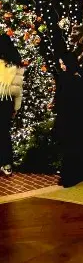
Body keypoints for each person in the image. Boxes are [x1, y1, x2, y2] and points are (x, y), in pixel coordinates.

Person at [0, 37, 24, 176]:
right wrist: (16, 108)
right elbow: (18, 91)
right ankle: (6, 164)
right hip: (7, 103)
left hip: (4, 101)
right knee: (4, 133)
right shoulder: (15, 66)